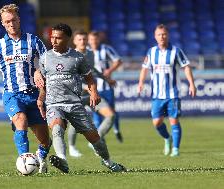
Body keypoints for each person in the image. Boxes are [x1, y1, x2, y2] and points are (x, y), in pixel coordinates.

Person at [35, 23, 127, 173]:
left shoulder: (78, 57)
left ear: (67, 39)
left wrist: (94, 93)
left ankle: (108, 162)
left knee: (95, 139)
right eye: (52, 37)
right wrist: (40, 98)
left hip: (74, 104)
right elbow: (43, 82)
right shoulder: (45, 57)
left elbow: (90, 78)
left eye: (58, 38)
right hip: (54, 103)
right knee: (57, 128)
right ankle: (62, 160)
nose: (54, 41)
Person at [0, 4, 51, 173]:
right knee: (20, 120)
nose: (11, 24)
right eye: (7, 21)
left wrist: (40, 70)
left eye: (13, 20)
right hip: (12, 94)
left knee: (45, 140)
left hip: (34, 95)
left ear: (19, 20)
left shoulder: (34, 41)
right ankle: (24, 161)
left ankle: (39, 158)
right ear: (2, 23)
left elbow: (49, 62)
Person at [137, 24, 196, 157]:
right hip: (157, 95)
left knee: (173, 120)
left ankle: (175, 149)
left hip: (173, 93)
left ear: (167, 35)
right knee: (157, 122)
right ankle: (167, 138)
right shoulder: (151, 52)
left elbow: (186, 66)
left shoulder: (176, 51)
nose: (161, 37)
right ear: (155, 36)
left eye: (164, 34)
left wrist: (191, 84)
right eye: (159, 34)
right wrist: (140, 82)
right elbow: (144, 68)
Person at [67, 30, 117, 157]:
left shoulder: (90, 53)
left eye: (84, 39)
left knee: (110, 116)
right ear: (74, 41)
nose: (82, 42)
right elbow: (72, 78)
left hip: (90, 94)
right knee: (75, 122)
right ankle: (72, 148)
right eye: (79, 39)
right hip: (76, 95)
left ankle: (95, 141)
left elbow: (91, 70)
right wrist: (86, 86)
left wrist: (106, 79)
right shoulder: (71, 56)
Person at [87, 31, 123, 143]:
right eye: (92, 40)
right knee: (97, 113)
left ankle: (116, 130)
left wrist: (110, 70)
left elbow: (118, 61)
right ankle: (99, 138)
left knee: (111, 112)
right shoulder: (86, 52)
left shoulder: (106, 49)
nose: (94, 42)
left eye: (95, 39)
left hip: (107, 87)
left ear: (99, 39)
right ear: (89, 40)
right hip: (93, 89)